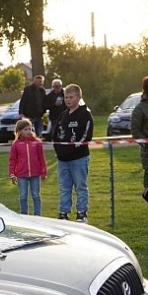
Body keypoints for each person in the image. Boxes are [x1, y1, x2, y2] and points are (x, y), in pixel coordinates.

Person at [50, 83, 92, 223]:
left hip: (79, 158)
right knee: (64, 187)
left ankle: (81, 213)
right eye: (66, 97)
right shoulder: (63, 115)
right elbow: (55, 135)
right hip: (62, 160)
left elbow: (86, 136)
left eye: (71, 97)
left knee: (80, 186)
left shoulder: (85, 114)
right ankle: (64, 213)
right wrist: (59, 152)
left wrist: (72, 149)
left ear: (79, 97)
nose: (68, 100)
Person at [8, 118, 47, 216]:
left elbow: (42, 158)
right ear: (19, 131)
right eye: (26, 129)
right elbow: (12, 160)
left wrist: (43, 172)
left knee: (36, 195)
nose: (29, 131)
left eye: (30, 129)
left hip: (35, 174)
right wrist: (12, 174)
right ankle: (24, 215)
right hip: (21, 175)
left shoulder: (37, 143)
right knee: (23, 196)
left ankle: (37, 215)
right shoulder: (16, 145)